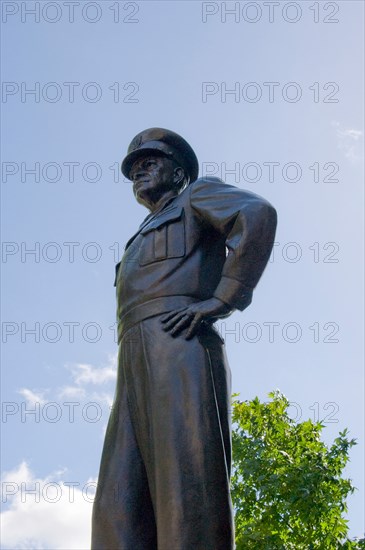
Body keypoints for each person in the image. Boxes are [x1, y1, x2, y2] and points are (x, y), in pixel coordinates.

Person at [91, 128, 277, 550]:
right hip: (133, 358)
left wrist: (223, 298)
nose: (139, 171)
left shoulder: (196, 196)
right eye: (134, 168)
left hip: (180, 347)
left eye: (150, 163)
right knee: (118, 502)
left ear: (179, 174)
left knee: (187, 485)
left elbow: (257, 214)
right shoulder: (140, 232)